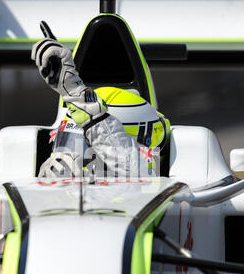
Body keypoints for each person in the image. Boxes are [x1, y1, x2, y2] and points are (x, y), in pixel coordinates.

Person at [31, 21, 170, 179]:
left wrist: (89, 110)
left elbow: (136, 171)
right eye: (69, 140)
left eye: (88, 146)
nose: (69, 159)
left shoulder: (154, 184)